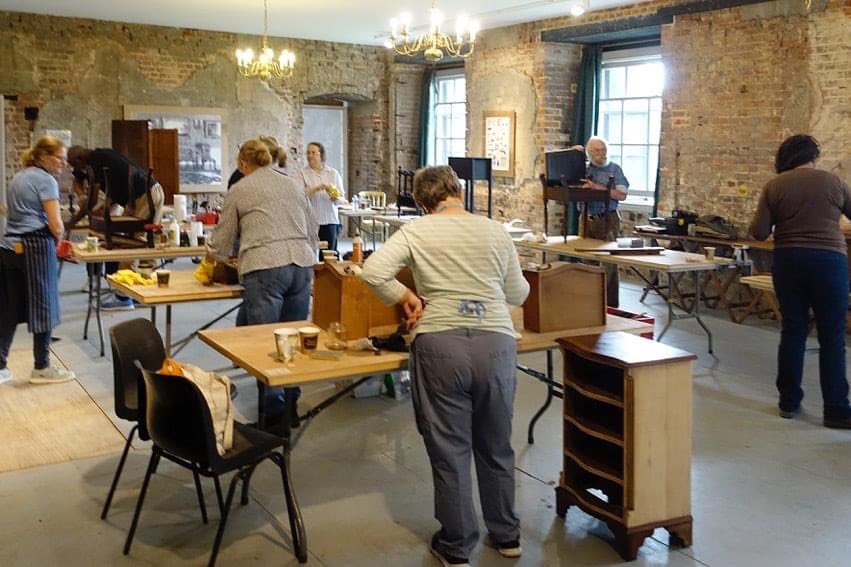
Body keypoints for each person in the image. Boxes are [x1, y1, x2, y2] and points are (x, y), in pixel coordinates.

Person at [362, 166, 530, 566]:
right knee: (496, 444)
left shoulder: (417, 231)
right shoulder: (494, 230)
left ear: (421, 202)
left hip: (440, 345)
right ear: (457, 190)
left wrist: (405, 294)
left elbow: (372, 271)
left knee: (450, 448)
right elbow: (519, 293)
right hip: (495, 343)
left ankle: (456, 546)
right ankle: (507, 536)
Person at [207, 139, 318, 427]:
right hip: (301, 264)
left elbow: (223, 237)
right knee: (292, 339)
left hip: (265, 267)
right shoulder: (293, 183)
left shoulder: (240, 189)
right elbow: (312, 227)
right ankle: (291, 402)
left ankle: (272, 414)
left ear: (243, 164)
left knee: (265, 343)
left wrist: (213, 257)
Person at [750, 134, 851, 429]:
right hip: (828, 262)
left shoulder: (774, 185)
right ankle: (835, 409)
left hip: (788, 259)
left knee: (793, 330)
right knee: (831, 336)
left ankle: (789, 402)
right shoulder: (833, 182)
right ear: (813, 157)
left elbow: (758, 232)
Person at [0, 135, 76, 385]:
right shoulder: (45, 180)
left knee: (10, 308)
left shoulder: (20, 176)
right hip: (35, 245)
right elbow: (55, 223)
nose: (63, 164)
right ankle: (42, 366)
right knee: (45, 304)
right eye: (59, 158)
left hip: (9, 247)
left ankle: (0, 366)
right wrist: (60, 239)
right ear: (43, 156)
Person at [67, 145, 165, 310]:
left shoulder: (96, 161)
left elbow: (91, 198)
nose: (74, 169)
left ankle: (124, 296)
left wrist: (73, 221)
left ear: (79, 159)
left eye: (73, 165)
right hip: (140, 196)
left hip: (145, 195)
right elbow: (109, 190)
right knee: (143, 243)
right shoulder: (96, 160)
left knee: (133, 243)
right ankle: (140, 293)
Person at [572, 136, 629, 307]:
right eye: (597, 150)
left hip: (608, 219)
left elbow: (622, 194)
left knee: (609, 261)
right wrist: (572, 155)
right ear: (589, 152)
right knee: (587, 260)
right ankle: (589, 302)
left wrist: (597, 187)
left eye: (604, 150)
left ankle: (609, 304)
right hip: (587, 218)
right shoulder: (583, 170)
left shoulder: (615, 169)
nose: (601, 154)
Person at [301, 141, 346, 256]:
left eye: (313, 152)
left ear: (321, 155)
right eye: (308, 153)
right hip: (311, 221)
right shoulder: (302, 173)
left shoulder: (333, 173)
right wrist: (315, 189)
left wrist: (334, 196)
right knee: (309, 255)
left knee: (329, 256)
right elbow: (299, 195)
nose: (310, 155)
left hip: (330, 220)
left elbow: (341, 199)